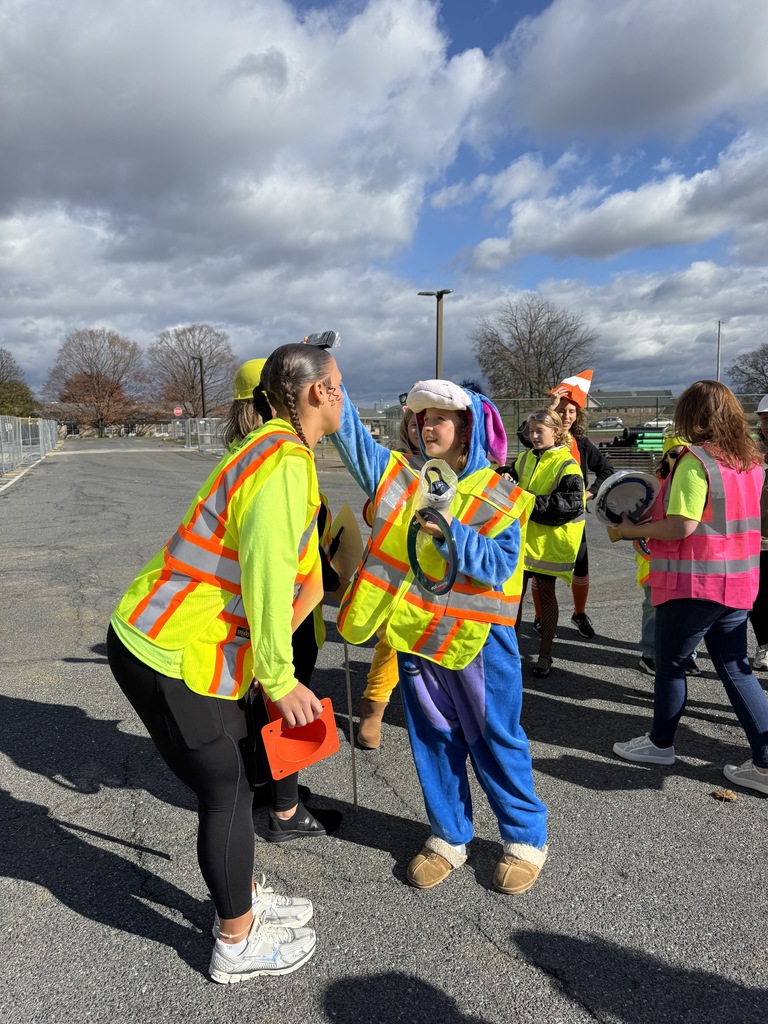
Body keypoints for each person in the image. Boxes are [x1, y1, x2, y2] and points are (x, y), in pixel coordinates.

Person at [106, 343, 344, 983]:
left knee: (234, 770)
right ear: (318, 392)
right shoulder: (284, 462)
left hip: (173, 641)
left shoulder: (270, 448)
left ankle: (239, 895)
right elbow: (267, 572)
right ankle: (236, 941)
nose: (344, 398)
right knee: (228, 788)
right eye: (340, 386)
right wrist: (279, 674)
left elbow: (278, 574)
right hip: (166, 649)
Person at [332, 377, 549, 894]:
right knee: (433, 742)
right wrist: (330, 385)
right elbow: (355, 443)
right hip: (417, 639)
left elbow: (498, 566)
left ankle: (524, 837)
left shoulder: (502, 494)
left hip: (480, 647)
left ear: (469, 427)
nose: (427, 425)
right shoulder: (405, 480)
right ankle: (448, 835)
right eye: (421, 417)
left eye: (440, 418)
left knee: (497, 739)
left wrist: (451, 529)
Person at [611, 380, 768, 796]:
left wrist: (632, 530)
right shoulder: (750, 462)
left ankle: (660, 745)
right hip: (737, 580)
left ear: (692, 417)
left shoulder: (695, 460)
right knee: (736, 669)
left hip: (695, 581)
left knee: (670, 664)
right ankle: (766, 763)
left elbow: (682, 524)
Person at [223, 358, 344, 840]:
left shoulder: (243, 457)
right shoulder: (285, 463)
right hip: (289, 620)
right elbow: (301, 565)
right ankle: (287, 809)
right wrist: (337, 566)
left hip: (247, 620)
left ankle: (266, 787)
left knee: (256, 713)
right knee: (289, 712)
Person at [356, 404, 420, 749]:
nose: (421, 429)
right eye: (413, 423)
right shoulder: (395, 465)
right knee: (392, 641)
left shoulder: (463, 468)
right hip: (395, 570)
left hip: (443, 574)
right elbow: (372, 512)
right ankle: (373, 708)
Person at [505, 408, 585, 678]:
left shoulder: (567, 463)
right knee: (513, 599)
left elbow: (570, 504)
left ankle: (545, 654)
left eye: (540, 431)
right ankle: (509, 652)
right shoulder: (526, 458)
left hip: (548, 544)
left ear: (556, 432)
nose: (534, 435)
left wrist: (524, 499)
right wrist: (505, 476)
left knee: (547, 596)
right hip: (522, 540)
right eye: (531, 431)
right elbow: (511, 474)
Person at [537, 370, 614, 639]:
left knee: (581, 568)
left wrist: (589, 493)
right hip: (544, 516)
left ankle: (579, 613)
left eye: (572, 411)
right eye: (563, 410)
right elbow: (527, 433)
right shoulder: (540, 439)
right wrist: (549, 409)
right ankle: (539, 617)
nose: (567, 416)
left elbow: (606, 470)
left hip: (573, 519)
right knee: (541, 570)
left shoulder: (582, 443)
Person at [635, 432, 700, 677]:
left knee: (685, 609)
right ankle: (649, 654)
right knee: (654, 607)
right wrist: (640, 543)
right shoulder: (652, 486)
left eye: (686, 452)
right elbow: (638, 520)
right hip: (654, 560)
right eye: (674, 454)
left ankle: (687, 656)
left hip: (685, 559)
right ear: (665, 458)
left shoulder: (695, 478)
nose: (680, 458)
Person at [749, 395, 768, 670]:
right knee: (758, 597)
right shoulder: (752, 451)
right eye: (765, 420)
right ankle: (765, 645)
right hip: (758, 537)